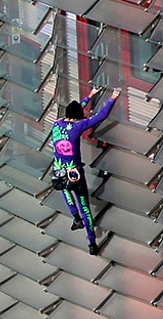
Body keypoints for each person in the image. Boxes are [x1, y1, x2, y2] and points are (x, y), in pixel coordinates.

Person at [48, 93, 114, 252]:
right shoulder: (78, 126)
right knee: (85, 206)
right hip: (74, 174)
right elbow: (101, 115)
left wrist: (89, 96)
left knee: (66, 192)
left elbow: (75, 110)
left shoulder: (56, 124)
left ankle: (75, 217)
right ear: (79, 116)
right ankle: (92, 242)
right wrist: (113, 97)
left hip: (59, 172)